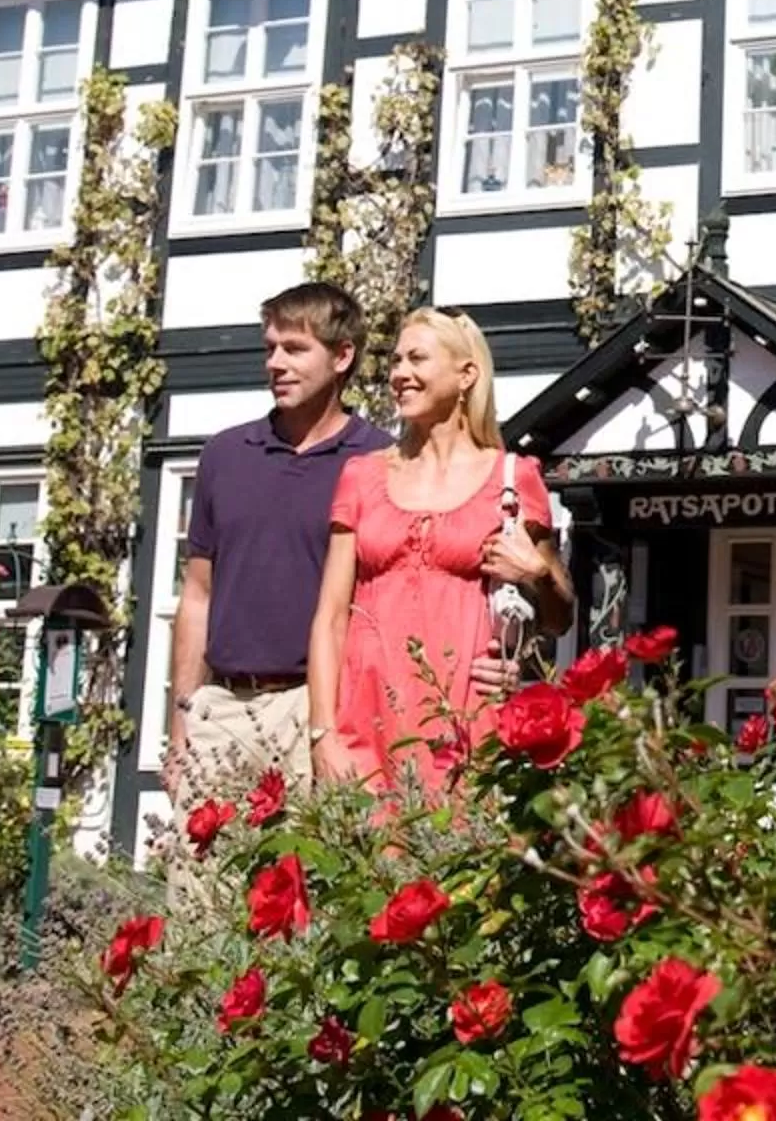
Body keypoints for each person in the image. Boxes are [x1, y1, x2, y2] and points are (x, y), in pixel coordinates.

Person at [165, 285, 528, 807]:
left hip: (320, 705)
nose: (276, 363)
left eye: (294, 349)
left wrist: (499, 659)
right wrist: (182, 723)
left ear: (342, 357)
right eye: (269, 348)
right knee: (198, 887)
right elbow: (197, 595)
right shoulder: (225, 455)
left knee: (310, 881)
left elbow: (429, 589)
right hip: (221, 707)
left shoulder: (382, 464)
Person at [309, 307, 574, 793]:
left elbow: (558, 618)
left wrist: (535, 574)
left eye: (417, 359)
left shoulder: (512, 479)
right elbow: (329, 618)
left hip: (468, 719)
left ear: (466, 374)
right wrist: (322, 733)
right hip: (365, 721)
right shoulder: (362, 476)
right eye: (395, 361)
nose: (399, 374)